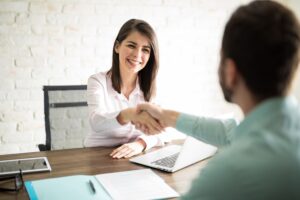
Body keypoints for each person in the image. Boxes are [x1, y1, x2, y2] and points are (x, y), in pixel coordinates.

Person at [136, 1, 300, 199]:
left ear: (231, 72)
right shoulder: (284, 128)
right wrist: (164, 116)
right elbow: (229, 130)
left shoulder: (230, 171)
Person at [84, 19, 165, 159]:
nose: (137, 55)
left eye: (145, 50)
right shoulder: (98, 81)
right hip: (99, 157)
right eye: (132, 46)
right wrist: (129, 114)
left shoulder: (149, 87)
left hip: (135, 157)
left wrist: (140, 144)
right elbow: (96, 122)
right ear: (117, 47)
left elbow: (164, 131)